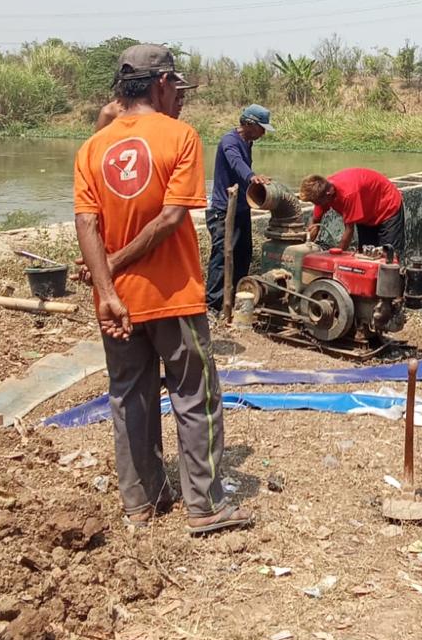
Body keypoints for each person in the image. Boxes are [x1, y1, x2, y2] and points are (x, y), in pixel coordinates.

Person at [73, 44, 250, 536]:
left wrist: (106, 284)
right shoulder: (181, 138)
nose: (182, 101)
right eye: (179, 90)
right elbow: (173, 218)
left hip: (117, 305)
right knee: (196, 395)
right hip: (173, 297)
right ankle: (207, 506)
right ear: (162, 84)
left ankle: (142, 503)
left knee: (130, 396)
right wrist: (115, 264)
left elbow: (85, 221)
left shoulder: (93, 147)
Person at [205, 105, 274, 314]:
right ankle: (213, 306)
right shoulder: (230, 141)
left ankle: (237, 297)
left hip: (242, 209)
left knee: (244, 254)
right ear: (250, 124)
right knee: (221, 257)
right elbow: (236, 163)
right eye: (261, 128)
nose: (263, 133)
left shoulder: (248, 141)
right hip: (225, 209)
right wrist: (252, 177)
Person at [300, 168, 406, 261]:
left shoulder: (348, 194)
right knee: (366, 256)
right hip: (366, 213)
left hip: (387, 207)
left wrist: (335, 258)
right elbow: (314, 223)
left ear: (329, 194)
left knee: (389, 258)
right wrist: (305, 248)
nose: (316, 205)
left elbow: (349, 230)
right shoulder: (322, 192)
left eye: (317, 203)